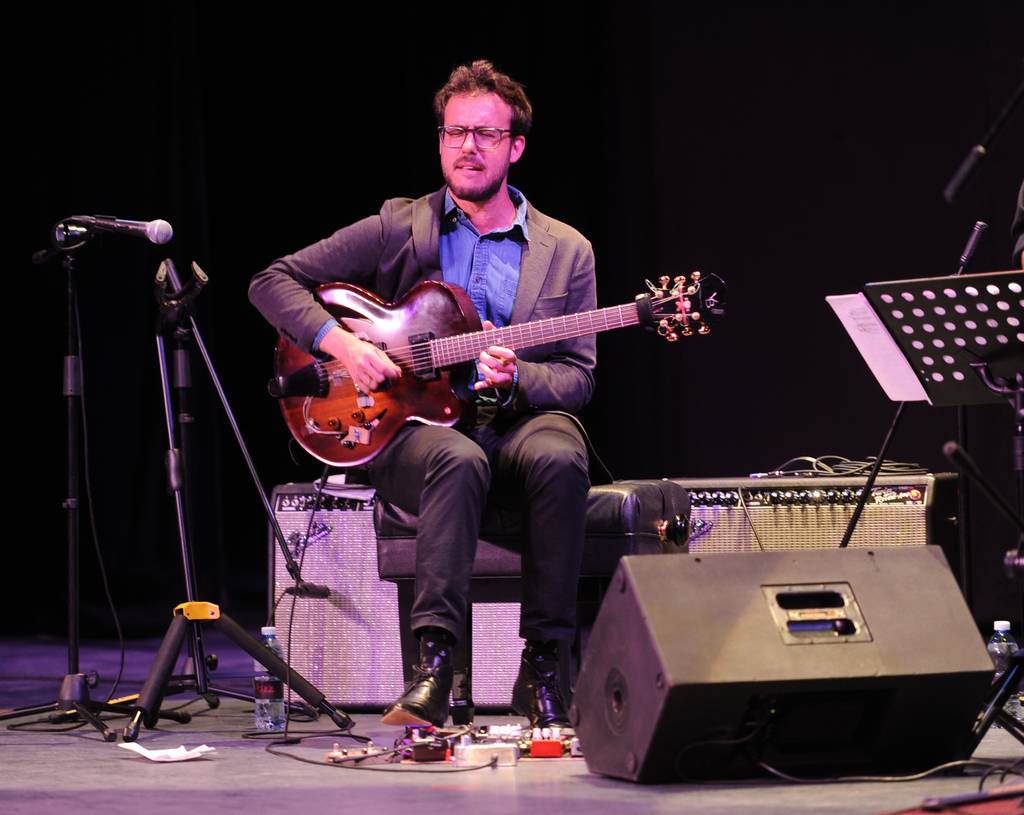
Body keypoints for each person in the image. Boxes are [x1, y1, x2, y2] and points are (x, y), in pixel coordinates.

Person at [249, 60, 596, 729]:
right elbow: (271, 281)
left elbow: (578, 377)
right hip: (414, 430)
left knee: (560, 455)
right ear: (440, 141)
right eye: (454, 132)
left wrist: (519, 376)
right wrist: (342, 345)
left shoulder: (567, 250)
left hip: (518, 420)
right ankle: (435, 667)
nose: (468, 147)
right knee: (456, 459)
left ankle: (544, 668)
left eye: (486, 134)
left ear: (516, 147)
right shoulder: (399, 225)